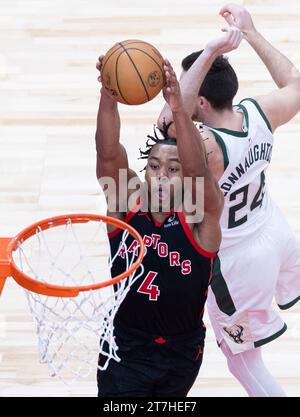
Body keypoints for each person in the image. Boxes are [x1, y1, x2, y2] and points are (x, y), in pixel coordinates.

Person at [158, 3, 300, 397]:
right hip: (276, 232)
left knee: (243, 363)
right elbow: (295, 82)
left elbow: (171, 120)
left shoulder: (205, 147)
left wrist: (209, 53)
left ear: (201, 103)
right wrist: (251, 33)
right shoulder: (260, 113)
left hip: (236, 264)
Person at [94, 50, 227, 396]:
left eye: (173, 169)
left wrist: (179, 109)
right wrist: (108, 98)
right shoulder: (127, 203)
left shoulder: (199, 215)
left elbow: (198, 170)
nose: (161, 176)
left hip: (181, 350)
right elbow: (108, 154)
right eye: (154, 167)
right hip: (125, 346)